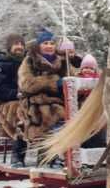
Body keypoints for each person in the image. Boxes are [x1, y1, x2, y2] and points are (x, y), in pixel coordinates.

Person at [18, 29, 67, 166]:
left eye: (51, 43)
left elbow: (72, 74)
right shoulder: (29, 61)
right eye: (45, 43)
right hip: (35, 102)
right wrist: (51, 82)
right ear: (39, 45)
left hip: (60, 100)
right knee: (51, 114)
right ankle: (50, 156)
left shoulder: (62, 61)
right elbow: (26, 83)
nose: (49, 46)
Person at [0, 33, 27, 167]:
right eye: (16, 44)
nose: (19, 47)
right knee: (20, 111)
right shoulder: (0, 65)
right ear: (9, 47)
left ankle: (46, 154)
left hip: (25, 98)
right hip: (3, 102)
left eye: (21, 44)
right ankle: (17, 154)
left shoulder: (28, 62)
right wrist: (18, 93)